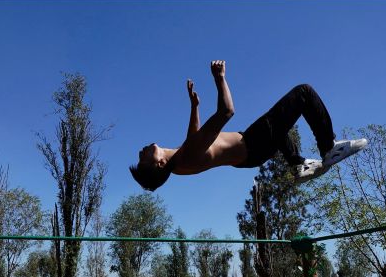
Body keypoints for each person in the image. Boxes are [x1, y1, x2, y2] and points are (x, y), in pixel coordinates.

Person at [130, 60, 367, 191]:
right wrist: (220, 79)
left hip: (250, 153)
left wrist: (194, 107)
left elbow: (195, 138)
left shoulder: (179, 164)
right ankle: (329, 148)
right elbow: (226, 111)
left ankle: (297, 164)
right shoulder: (185, 157)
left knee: (278, 127)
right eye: (143, 159)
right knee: (303, 93)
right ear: (159, 163)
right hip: (253, 144)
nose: (141, 152)